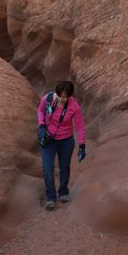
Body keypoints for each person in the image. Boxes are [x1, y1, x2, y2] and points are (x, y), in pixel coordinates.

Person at [37, 80, 86, 210]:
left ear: (70, 96)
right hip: (48, 139)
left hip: (66, 141)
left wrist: (82, 145)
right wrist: (41, 126)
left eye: (66, 97)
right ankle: (50, 197)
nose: (63, 99)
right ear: (56, 93)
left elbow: (80, 126)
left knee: (64, 167)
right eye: (60, 96)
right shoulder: (47, 99)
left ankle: (63, 192)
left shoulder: (74, 106)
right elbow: (40, 111)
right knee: (48, 168)